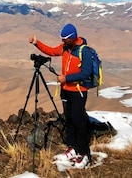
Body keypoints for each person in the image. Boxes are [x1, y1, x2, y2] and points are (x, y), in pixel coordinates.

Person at [28, 23, 93, 169]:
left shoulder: (84, 51)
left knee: (78, 120)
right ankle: (73, 148)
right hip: (66, 90)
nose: (62, 42)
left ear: (72, 38)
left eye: (65, 39)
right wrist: (37, 43)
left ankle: (84, 154)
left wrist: (67, 78)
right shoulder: (65, 47)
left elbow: (86, 73)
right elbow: (51, 51)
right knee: (68, 119)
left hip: (78, 91)